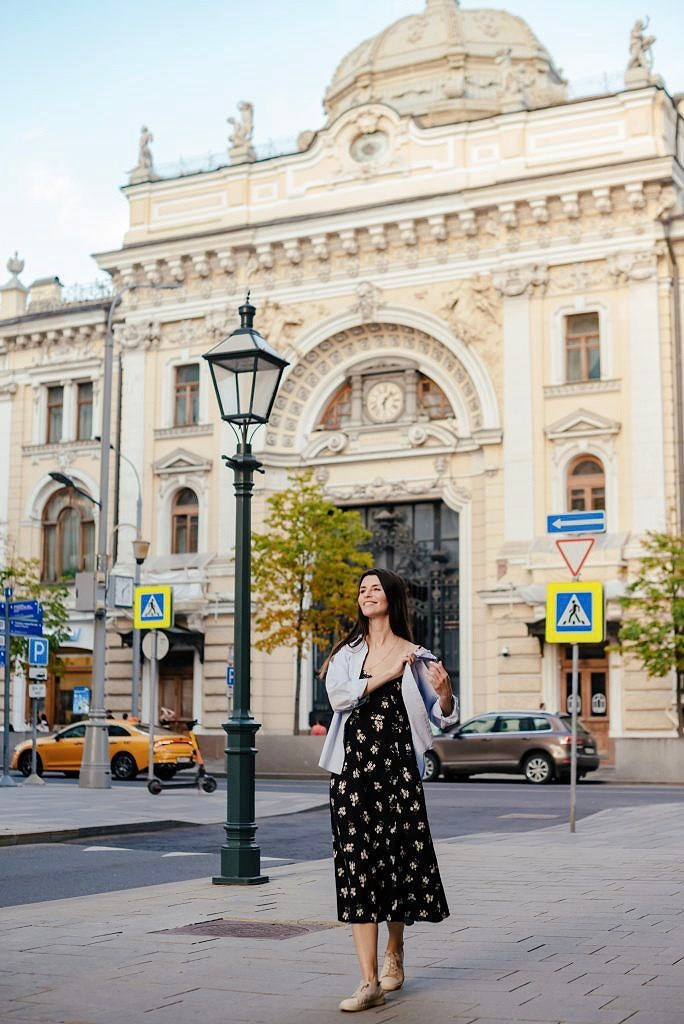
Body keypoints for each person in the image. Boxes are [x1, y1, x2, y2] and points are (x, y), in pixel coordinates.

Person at [319, 567, 460, 1012]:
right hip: (352, 776)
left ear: (393, 597)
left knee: (394, 865)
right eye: (362, 590)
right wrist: (382, 676)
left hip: (398, 775)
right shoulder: (346, 654)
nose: (367, 595)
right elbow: (340, 698)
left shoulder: (416, 656)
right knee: (358, 870)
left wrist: (446, 697)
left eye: (375, 588)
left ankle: (394, 953)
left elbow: (445, 720)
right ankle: (368, 982)